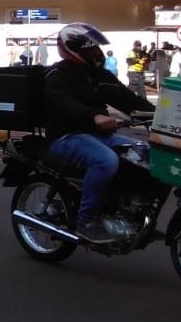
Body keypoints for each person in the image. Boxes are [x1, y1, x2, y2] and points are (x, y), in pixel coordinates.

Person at [43, 22, 153, 245]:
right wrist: (94, 117)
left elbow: (127, 99)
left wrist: (163, 116)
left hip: (100, 136)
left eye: (96, 48)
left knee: (144, 153)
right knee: (105, 161)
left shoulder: (99, 75)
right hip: (67, 137)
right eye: (90, 48)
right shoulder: (57, 75)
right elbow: (66, 104)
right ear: (74, 49)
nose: (96, 53)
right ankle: (86, 221)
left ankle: (126, 208)